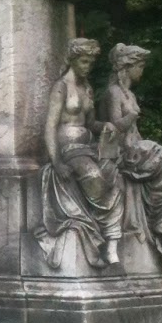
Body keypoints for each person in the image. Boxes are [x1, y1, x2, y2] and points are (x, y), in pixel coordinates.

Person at [35, 37, 123, 269]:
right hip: (69, 150)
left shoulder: (87, 88)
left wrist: (105, 125)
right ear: (73, 60)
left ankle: (112, 242)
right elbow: (50, 126)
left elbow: (91, 123)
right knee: (94, 177)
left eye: (90, 63)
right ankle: (99, 236)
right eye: (83, 62)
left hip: (88, 148)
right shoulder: (61, 87)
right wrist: (56, 162)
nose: (87, 67)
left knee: (115, 176)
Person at [98, 43, 162, 264]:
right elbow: (114, 128)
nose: (142, 71)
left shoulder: (129, 94)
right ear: (127, 67)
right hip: (124, 153)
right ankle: (157, 217)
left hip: (137, 148)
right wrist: (132, 118)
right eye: (140, 66)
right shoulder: (113, 93)